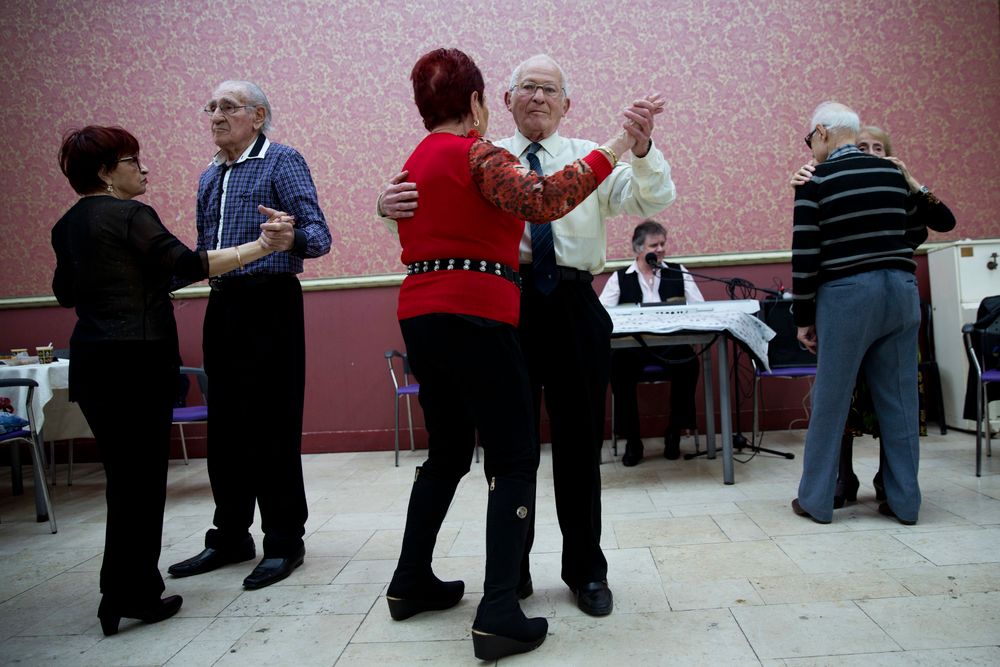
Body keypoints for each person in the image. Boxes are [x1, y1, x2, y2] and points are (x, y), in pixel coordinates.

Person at [380, 53, 676, 619]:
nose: (538, 97)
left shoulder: (589, 156)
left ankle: (586, 571)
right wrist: (382, 206)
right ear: (502, 100)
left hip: (571, 303)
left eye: (550, 89)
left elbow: (653, 199)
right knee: (507, 450)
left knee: (579, 444)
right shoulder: (478, 153)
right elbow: (420, 218)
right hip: (500, 305)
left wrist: (638, 148)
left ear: (568, 104)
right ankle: (509, 577)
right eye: (527, 88)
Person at [51, 125, 287, 635]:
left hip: (90, 362)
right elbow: (187, 263)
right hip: (136, 363)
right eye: (133, 161)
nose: (144, 169)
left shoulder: (67, 224)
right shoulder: (130, 214)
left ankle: (120, 590)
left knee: (123, 481)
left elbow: (65, 293)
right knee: (142, 483)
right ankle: (133, 593)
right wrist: (261, 247)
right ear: (105, 172)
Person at [168, 80, 332, 590]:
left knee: (273, 424)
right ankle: (231, 535)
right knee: (228, 429)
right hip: (223, 305)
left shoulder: (282, 161)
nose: (216, 115)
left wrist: (292, 237)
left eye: (228, 107)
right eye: (211, 105)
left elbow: (320, 236)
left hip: (271, 301)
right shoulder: (207, 175)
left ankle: (284, 541)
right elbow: (202, 251)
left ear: (257, 116)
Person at [789, 102, 955, 526]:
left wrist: (803, 317)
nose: (810, 150)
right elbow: (917, 230)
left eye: (810, 140)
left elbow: (806, 252)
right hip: (901, 290)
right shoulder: (892, 173)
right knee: (900, 401)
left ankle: (816, 500)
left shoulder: (815, 179)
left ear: (822, 132)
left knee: (831, 400)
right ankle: (905, 503)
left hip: (846, 295)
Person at [598, 219, 704, 465]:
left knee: (689, 364)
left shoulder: (678, 271)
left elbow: (699, 307)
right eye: (653, 245)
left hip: (671, 342)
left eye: (663, 244)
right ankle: (632, 440)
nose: (660, 249)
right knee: (618, 368)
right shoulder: (620, 278)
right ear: (638, 249)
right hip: (633, 346)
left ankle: (674, 432)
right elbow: (603, 313)